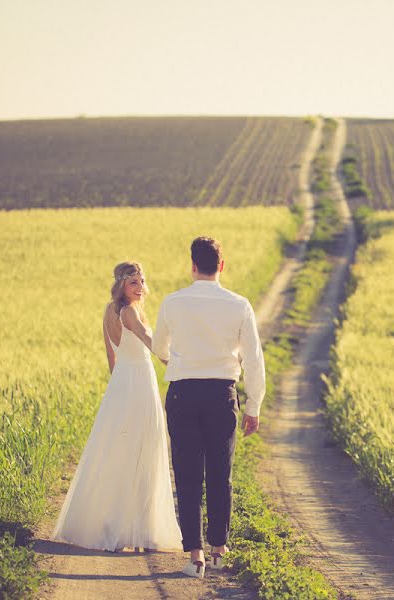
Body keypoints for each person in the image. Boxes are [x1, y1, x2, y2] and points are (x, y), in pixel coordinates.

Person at [153, 236, 265, 578]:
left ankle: (195, 557)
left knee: (187, 476)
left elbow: (159, 347)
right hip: (222, 396)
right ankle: (218, 550)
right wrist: (253, 406)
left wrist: (184, 362)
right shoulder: (239, 304)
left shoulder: (173, 302)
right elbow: (254, 361)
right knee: (220, 474)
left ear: (192, 266)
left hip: (183, 394)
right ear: (222, 265)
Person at [51, 262, 181, 552]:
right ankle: (135, 530)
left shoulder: (109, 310)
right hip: (138, 382)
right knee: (142, 448)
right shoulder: (131, 312)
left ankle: (116, 524)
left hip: (121, 383)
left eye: (142, 281)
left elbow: (111, 356)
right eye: (133, 282)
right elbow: (155, 348)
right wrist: (183, 364)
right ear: (122, 285)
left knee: (117, 450)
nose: (140, 287)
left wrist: (118, 388)